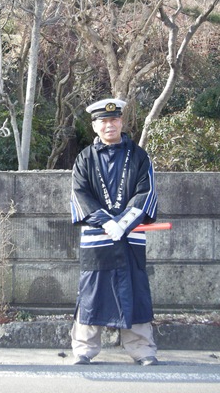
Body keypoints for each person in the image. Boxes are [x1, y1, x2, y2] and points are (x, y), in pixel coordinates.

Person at [69, 98, 159, 366]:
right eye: (104, 121)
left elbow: (146, 192)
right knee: (92, 291)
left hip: (130, 236)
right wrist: (106, 222)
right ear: (94, 126)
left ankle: (142, 349)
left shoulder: (139, 156)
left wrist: (124, 222)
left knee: (135, 289)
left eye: (114, 119)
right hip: (98, 237)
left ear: (121, 122)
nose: (109, 125)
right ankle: (84, 348)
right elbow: (79, 193)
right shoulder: (84, 158)